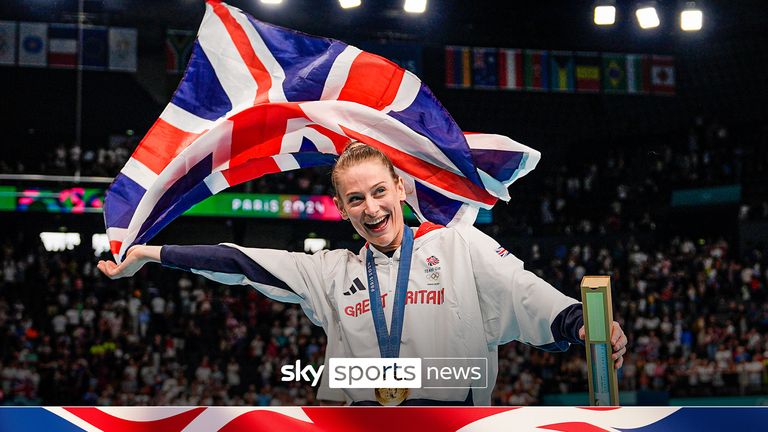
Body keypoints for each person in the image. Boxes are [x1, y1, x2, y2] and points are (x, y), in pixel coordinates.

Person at [98, 142, 627, 405]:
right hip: (358, 421)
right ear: (342, 208)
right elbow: (240, 262)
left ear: (400, 190)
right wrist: (148, 253)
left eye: (379, 192)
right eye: (356, 200)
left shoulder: (458, 244)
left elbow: (522, 290)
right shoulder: (330, 271)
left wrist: (580, 322)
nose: (371, 208)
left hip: (452, 420)